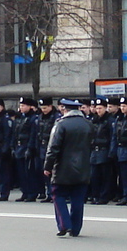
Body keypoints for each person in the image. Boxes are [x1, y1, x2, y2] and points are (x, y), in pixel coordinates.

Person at [44, 99, 93, 237]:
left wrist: (48, 166)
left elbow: (53, 148)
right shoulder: (88, 124)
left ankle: (64, 224)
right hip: (83, 167)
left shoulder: (61, 124)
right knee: (78, 198)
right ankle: (75, 229)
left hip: (63, 168)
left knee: (58, 195)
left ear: (65, 110)